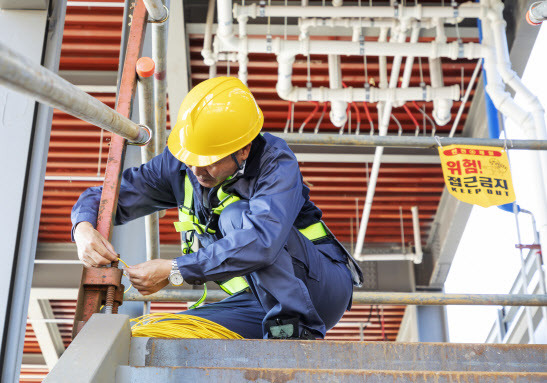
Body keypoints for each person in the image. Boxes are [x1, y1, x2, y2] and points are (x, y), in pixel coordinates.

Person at [72, 77, 363, 340]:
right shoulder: (181, 163)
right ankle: (279, 326)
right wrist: (83, 228)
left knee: (236, 217)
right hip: (256, 302)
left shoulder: (275, 162)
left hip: (318, 288)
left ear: (244, 149)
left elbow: (262, 241)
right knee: (158, 336)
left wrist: (176, 269)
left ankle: (292, 329)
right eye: (191, 157)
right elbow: (107, 199)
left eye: (210, 159)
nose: (197, 169)